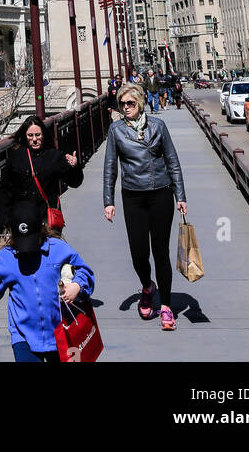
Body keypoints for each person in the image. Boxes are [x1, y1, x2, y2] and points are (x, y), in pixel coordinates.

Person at [103, 82, 187, 332]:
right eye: (122, 104)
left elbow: (172, 161)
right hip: (133, 197)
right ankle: (148, 286)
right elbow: (110, 167)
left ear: (139, 103)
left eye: (130, 103)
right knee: (139, 253)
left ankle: (167, 307)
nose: (125, 108)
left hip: (160, 194)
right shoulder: (116, 130)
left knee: (160, 252)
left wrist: (180, 195)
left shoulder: (158, 126)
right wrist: (108, 201)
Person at [0, 199, 95, 362]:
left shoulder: (58, 249)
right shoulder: (6, 258)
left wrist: (77, 285)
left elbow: (85, 271)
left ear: (41, 229)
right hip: (24, 336)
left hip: (61, 331)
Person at [0, 114, 83, 233]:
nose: (34, 139)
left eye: (38, 135)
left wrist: (74, 167)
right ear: (25, 136)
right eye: (30, 135)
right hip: (22, 221)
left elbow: (75, 182)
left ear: (43, 135)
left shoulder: (54, 156)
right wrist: (5, 220)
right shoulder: (16, 156)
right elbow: (4, 189)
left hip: (48, 221)